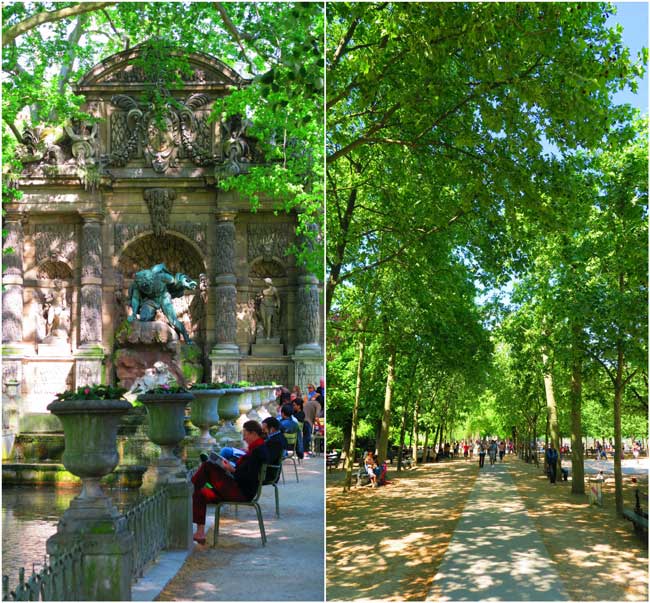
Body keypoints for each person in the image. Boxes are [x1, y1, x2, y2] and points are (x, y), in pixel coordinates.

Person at [191, 420, 269, 544]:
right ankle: (200, 533)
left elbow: (247, 477)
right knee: (201, 492)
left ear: (254, 434)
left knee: (207, 466)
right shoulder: (257, 448)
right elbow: (246, 472)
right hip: (239, 488)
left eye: (245, 434)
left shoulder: (258, 451)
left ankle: (191, 485)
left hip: (242, 492)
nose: (243, 437)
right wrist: (229, 468)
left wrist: (230, 469)